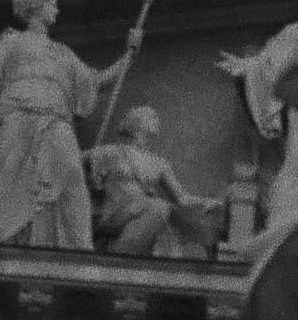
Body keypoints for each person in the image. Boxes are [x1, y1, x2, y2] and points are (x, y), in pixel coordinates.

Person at [0, 0, 141, 249]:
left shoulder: (63, 53)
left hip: (55, 120)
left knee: (70, 174)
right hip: (16, 118)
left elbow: (100, 80)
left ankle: (74, 248)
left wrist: (130, 52)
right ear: (39, 8)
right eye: (54, 4)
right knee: (12, 182)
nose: (57, 10)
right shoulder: (12, 40)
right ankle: (9, 244)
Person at [87, 105, 221, 256]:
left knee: (161, 212)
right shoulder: (109, 152)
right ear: (137, 122)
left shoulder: (159, 163)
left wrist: (205, 202)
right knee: (160, 208)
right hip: (115, 214)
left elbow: (182, 198)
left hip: (143, 215)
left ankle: (119, 255)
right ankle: (118, 256)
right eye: (151, 116)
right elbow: (73, 164)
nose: (156, 119)